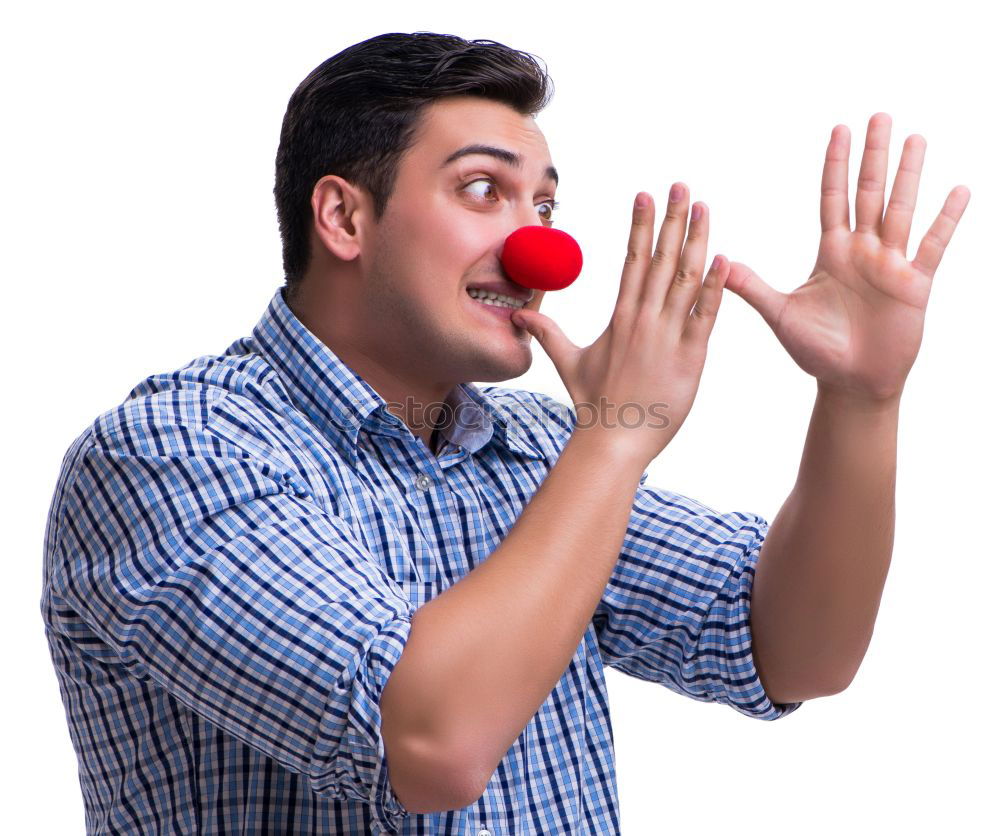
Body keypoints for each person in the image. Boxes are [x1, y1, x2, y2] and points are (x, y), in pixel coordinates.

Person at [40, 30, 969, 835]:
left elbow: (795, 651)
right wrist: (612, 436)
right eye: (483, 189)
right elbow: (434, 741)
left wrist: (862, 401)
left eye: (545, 205)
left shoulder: (527, 448)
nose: (540, 251)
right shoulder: (170, 453)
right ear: (344, 217)